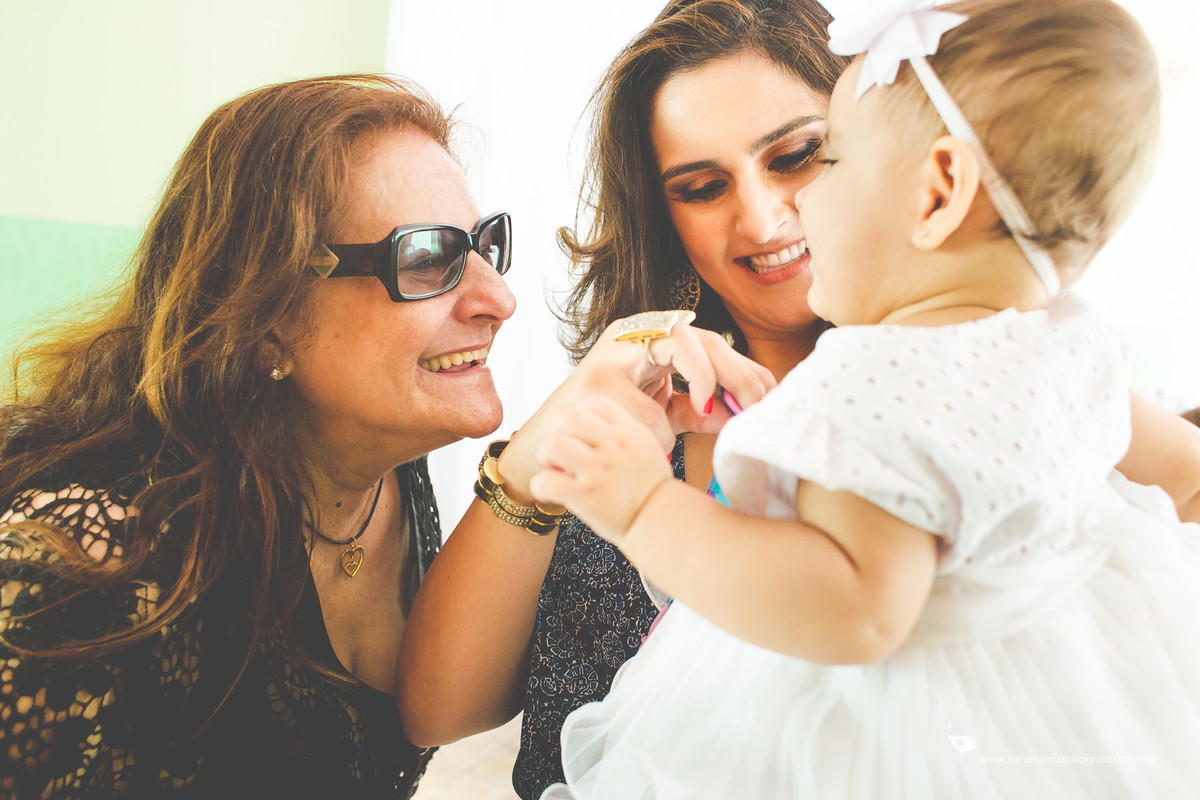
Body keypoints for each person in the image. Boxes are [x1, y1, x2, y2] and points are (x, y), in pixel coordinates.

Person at [529, 0, 1200, 796]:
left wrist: (643, 509)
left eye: (827, 158)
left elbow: (854, 607)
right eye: (706, 185)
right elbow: (1189, 479)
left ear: (940, 190)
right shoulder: (1070, 340)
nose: (792, 208)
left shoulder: (866, 377)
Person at [394, 1, 848, 796]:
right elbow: (439, 710)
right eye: (704, 187)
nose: (763, 214)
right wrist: (547, 441)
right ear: (662, 214)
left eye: (797, 155)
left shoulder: (960, 387)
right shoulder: (634, 406)